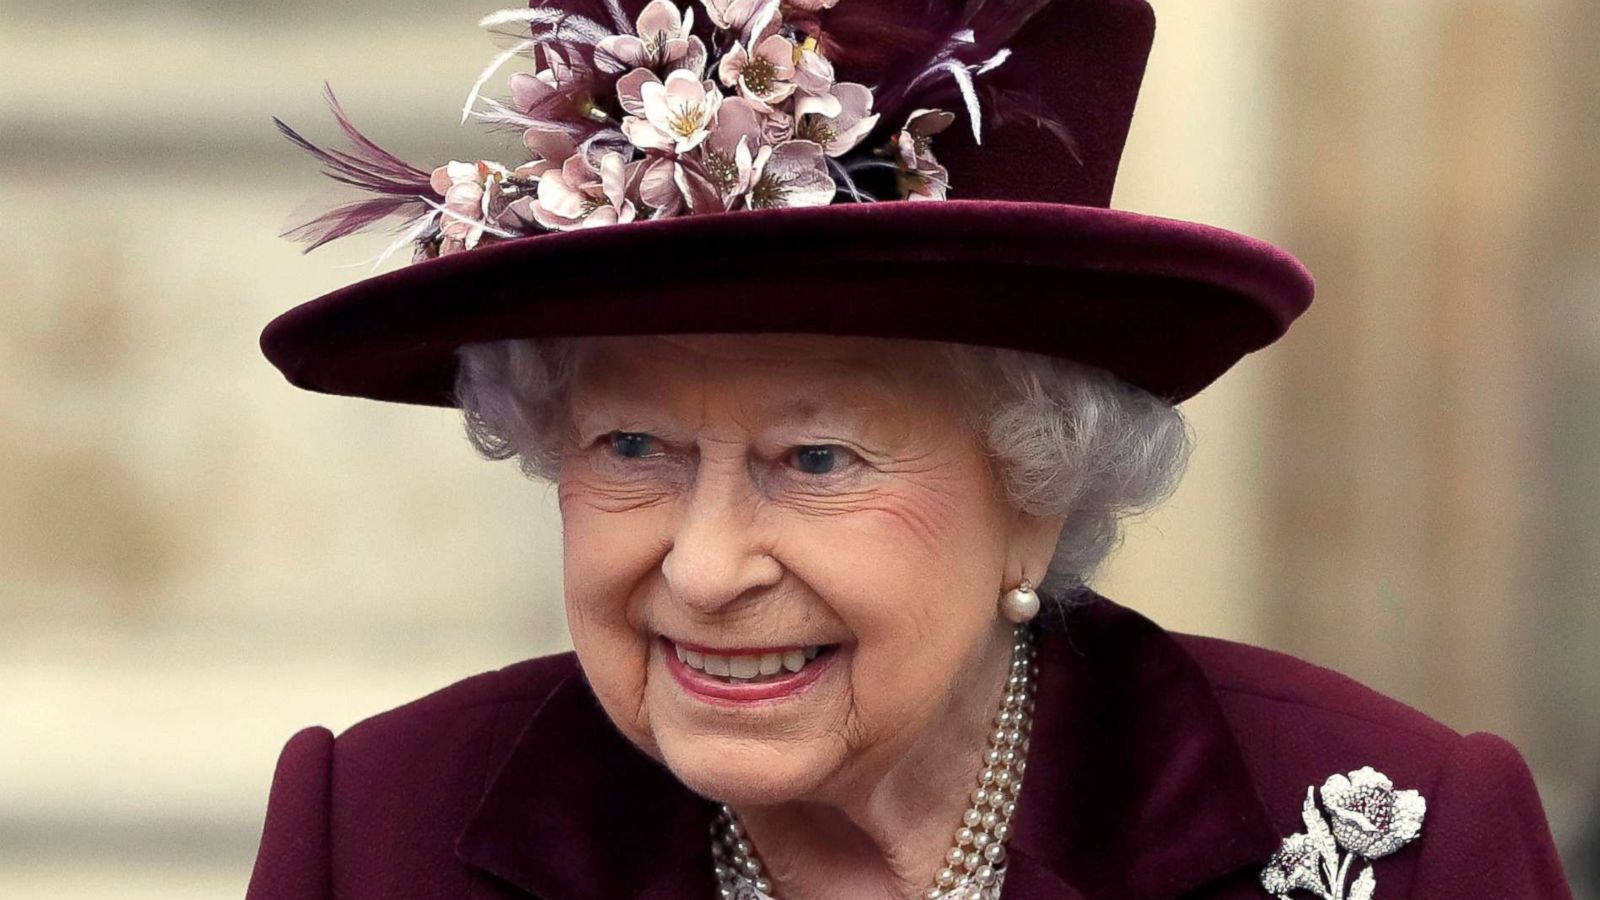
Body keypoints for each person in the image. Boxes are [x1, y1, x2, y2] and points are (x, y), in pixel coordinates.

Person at [246, 0, 1575, 897]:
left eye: (816, 459)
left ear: (1039, 494)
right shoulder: (375, 839)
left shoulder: (1394, 839)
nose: (705, 570)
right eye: (633, 444)